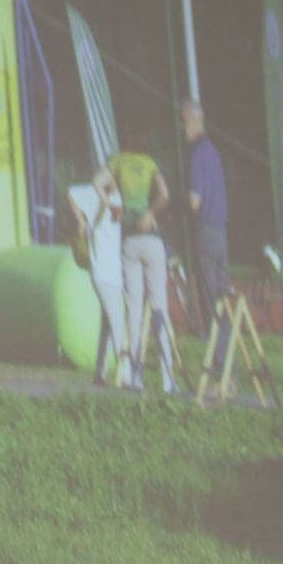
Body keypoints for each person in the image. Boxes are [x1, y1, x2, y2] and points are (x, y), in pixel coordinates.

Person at [96, 129, 177, 393]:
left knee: (133, 310)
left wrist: (111, 204)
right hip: (152, 239)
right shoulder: (150, 164)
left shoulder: (117, 161)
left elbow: (97, 182)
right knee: (159, 307)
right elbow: (164, 195)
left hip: (129, 240)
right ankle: (168, 379)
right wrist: (150, 212)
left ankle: (134, 376)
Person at [184, 101, 230, 370]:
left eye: (183, 123)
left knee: (210, 301)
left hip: (206, 232)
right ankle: (228, 370)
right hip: (221, 232)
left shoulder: (198, 154)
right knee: (222, 302)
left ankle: (220, 369)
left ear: (192, 122)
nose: (182, 130)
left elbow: (194, 202)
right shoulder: (213, 151)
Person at [67, 183, 128, 386]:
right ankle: (127, 375)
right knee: (117, 321)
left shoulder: (117, 196)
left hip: (114, 271)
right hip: (102, 270)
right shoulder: (96, 197)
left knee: (108, 323)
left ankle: (100, 373)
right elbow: (71, 193)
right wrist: (81, 221)